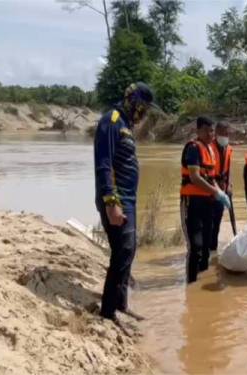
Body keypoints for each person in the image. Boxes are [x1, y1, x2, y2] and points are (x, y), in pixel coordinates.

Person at [93, 82, 156, 325]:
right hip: (117, 200)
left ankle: (121, 304)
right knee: (122, 253)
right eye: (144, 108)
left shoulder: (126, 126)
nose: (145, 114)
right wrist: (111, 202)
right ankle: (107, 313)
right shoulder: (111, 121)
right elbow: (104, 164)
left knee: (129, 252)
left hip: (128, 200)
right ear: (134, 102)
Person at [180, 116, 231, 283]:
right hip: (192, 202)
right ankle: (191, 285)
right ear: (198, 131)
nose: (210, 134)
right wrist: (216, 193)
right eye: (207, 131)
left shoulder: (210, 150)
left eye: (211, 131)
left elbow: (211, 177)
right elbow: (194, 177)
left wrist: (220, 192)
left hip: (208, 202)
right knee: (196, 247)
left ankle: (200, 288)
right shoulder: (193, 148)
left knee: (207, 246)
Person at [210, 121, 234, 252]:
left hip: (222, 190)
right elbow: (207, 173)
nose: (225, 136)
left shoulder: (229, 149)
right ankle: (207, 250)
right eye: (223, 133)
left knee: (217, 223)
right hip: (209, 191)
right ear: (216, 133)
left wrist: (229, 185)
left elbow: (228, 170)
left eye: (227, 133)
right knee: (209, 223)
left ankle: (213, 251)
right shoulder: (209, 147)